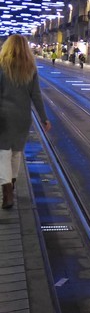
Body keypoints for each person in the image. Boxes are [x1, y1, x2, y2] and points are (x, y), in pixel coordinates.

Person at [0, 34, 51, 210]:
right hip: (22, 117)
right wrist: (44, 118)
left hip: (3, 116)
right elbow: (36, 95)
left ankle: (7, 193)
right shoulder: (30, 67)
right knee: (16, 153)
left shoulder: (2, 66)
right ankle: (11, 185)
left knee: (3, 154)